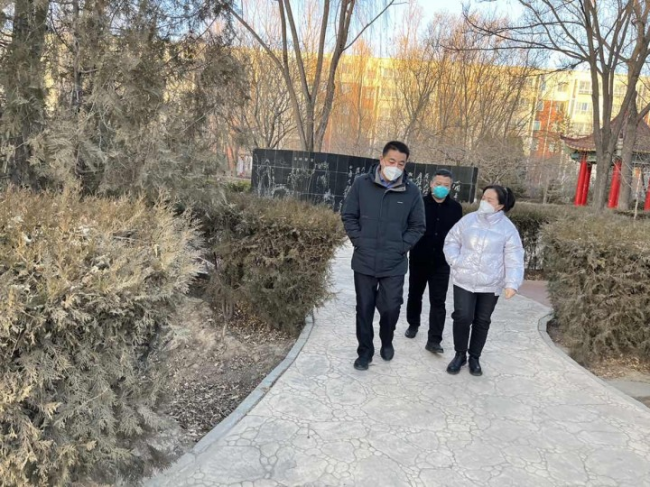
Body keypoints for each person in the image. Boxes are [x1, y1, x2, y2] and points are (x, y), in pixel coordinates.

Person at [341, 141, 426, 371]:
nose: (396, 167)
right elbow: (349, 215)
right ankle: (364, 353)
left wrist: (401, 247)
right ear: (381, 159)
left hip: (394, 263)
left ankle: (387, 340)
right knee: (364, 309)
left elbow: (418, 226)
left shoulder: (411, 191)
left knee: (390, 308)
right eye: (392, 161)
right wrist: (359, 241)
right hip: (364, 260)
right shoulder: (361, 184)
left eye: (401, 163)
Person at [443, 185, 524, 376]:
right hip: (464, 279)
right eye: (483, 197)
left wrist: (512, 283)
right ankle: (460, 354)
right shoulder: (468, 220)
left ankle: (474, 357)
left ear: (500, 205)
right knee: (462, 317)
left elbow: (514, 257)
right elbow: (451, 241)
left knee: (482, 320)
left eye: (490, 200)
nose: (484, 202)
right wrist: (456, 261)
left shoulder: (508, 229)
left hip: (490, 284)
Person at [405, 169, 463, 354]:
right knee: (415, 294)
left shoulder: (456, 208)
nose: (441, 188)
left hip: (442, 262)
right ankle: (413, 324)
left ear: (451, 187)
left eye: (446, 185)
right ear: (431, 184)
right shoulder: (419, 204)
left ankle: (434, 340)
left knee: (438, 300)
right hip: (419, 257)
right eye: (438, 184)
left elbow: (457, 235)